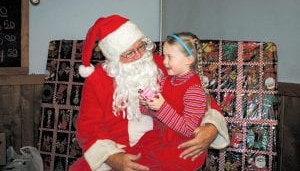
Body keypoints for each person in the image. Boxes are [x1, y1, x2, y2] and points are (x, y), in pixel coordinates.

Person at [70, 14, 229, 171]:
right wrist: (112, 158)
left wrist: (211, 127)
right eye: (129, 53)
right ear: (114, 57)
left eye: (140, 46)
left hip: (162, 145)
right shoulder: (97, 79)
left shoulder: (162, 63)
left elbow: (197, 93)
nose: (139, 55)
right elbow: (88, 127)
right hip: (118, 149)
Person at [138, 32, 209, 170]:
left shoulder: (194, 90)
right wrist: (147, 105)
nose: (164, 62)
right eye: (164, 56)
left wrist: (161, 107)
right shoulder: (165, 80)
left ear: (189, 59)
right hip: (161, 140)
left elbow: (189, 130)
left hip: (182, 149)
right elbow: (157, 115)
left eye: (170, 57)